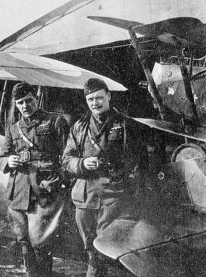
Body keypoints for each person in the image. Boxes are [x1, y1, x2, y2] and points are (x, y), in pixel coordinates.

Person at [62, 78, 147, 277]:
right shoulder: (79, 127)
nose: (95, 103)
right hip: (85, 198)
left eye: (99, 98)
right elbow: (66, 160)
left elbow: (140, 161)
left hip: (115, 198)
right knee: (91, 251)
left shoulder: (125, 125)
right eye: (90, 99)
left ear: (108, 96)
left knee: (113, 250)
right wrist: (82, 163)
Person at [0, 82, 70, 277]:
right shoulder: (14, 129)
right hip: (19, 193)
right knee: (23, 242)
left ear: (36, 98)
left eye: (28, 100)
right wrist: (8, 160)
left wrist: (56, 182)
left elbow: (68, 157)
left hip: (43, 192)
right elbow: (2, 156)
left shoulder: (55, 122)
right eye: (20, 102)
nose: (25, 106)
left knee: (40, 242)